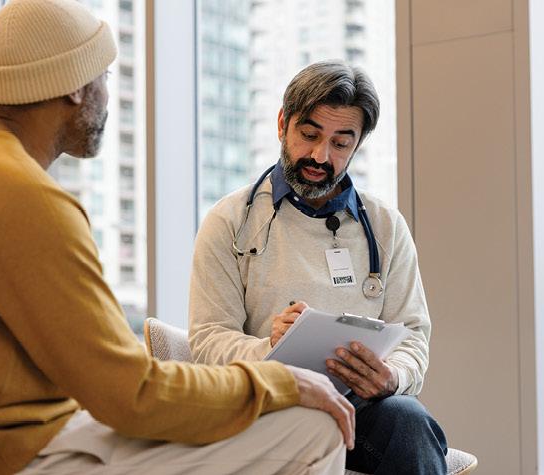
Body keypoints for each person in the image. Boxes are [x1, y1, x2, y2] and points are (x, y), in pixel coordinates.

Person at [0, 1, 353, 473]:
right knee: (312, 427)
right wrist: (279, 382)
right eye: (103, 76)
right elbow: (131, 395)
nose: (107, 92)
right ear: (76, 87)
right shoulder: (22, 195)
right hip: (16, 457)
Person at [188, 60, 447, 474]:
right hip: (268, 403)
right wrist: (269, 350)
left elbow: (413, 334)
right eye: (309, 135)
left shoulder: (384, 227)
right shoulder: (231, 221)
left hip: (358, 407)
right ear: (282, 124)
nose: (319, 155)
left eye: (341, 143)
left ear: (357, 145)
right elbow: (207, 340)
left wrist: (390, 377)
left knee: (409, 423)